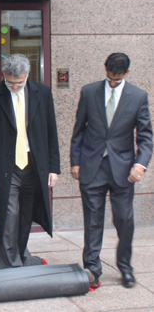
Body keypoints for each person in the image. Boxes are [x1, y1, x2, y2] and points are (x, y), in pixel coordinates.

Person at [71, 52, 152, 289]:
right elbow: (78, 130)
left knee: (124, 220)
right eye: (109, 78)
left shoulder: (138, 97)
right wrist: (75, 161)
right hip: (91, 166)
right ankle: (92, 269)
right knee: (92, 220)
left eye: (117, 79)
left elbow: (146, 137)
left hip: (124, 169)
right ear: (105, 70)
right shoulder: (89, 92)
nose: (113, 82)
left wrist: (140, 164)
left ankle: (125, 268)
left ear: (127, 73)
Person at [0, 54, 60, 269]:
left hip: (34, 165)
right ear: (3, 76)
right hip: (6, 166)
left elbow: (51, 133)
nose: (14, 86)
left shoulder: (43, 93)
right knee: (8, 215)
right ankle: (10, 266)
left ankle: (19, 257)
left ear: (27, 76)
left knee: (25, 216)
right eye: (10, 82)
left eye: (19, 83)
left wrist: (53, 168)